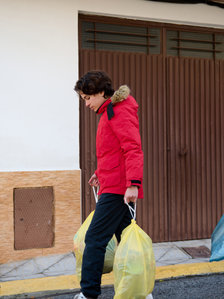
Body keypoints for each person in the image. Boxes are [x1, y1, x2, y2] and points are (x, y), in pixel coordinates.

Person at [73, 71, 144, 299]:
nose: (86, 104)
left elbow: (132, 148)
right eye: (84, 99)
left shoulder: (118, 112)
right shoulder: (108, 112)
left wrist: (133, 184)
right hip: (113, 184)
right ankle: (140, 292)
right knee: (126, 243)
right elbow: (114, 152)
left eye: (88, 98)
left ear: (102, 93)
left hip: (117, 190)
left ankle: (89, 294)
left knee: (94, 240)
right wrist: (99, 173)